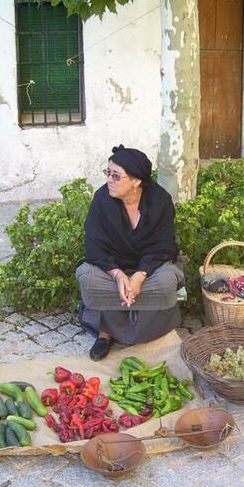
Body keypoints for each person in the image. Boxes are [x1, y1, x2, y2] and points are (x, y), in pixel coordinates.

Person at [76, 145, 185, 360]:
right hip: (111, 267)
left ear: (136, 181)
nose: (109, 179)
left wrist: (139, 275)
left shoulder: (160, 200)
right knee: (87, 279)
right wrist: (118, 276)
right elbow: (93, 246)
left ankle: (145, 330)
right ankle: (105, 332)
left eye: (116, 176)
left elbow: (164, 245)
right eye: (108, 173)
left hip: (150, 268)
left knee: (165, 284)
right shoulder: (102, 200)